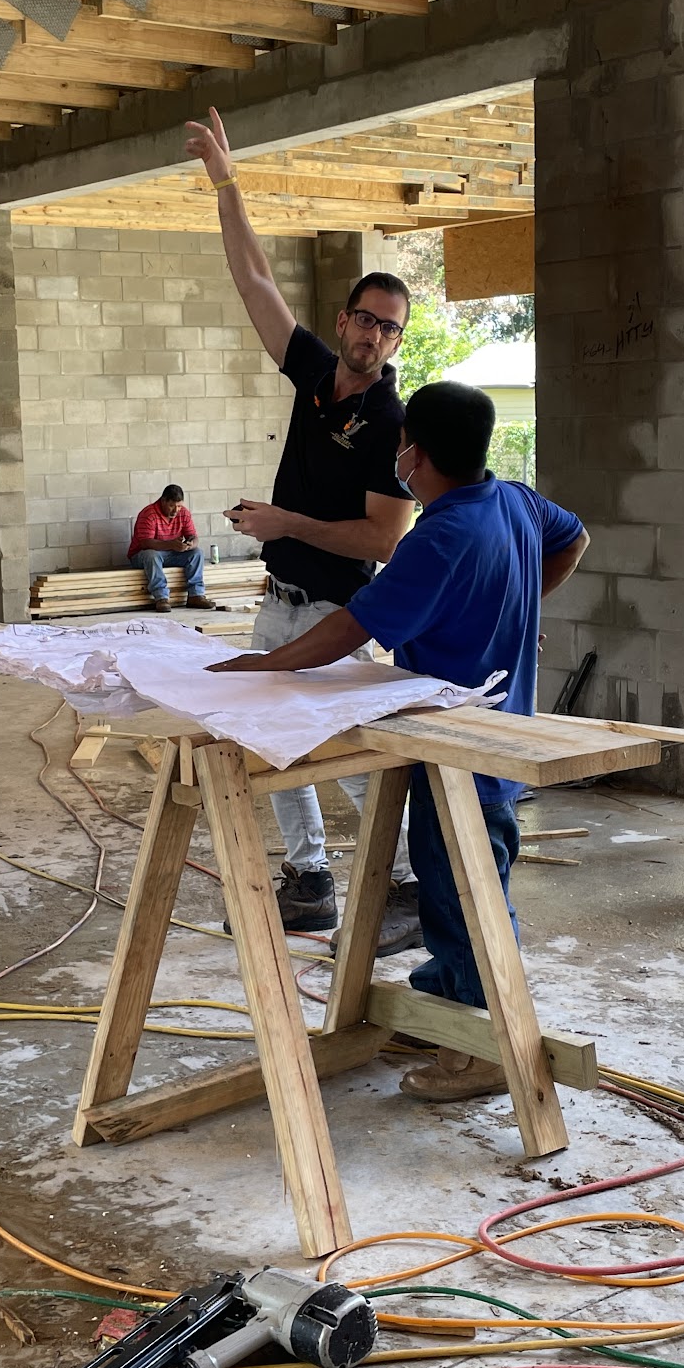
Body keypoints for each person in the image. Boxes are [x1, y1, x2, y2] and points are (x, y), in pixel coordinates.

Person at [210, 380, 590, 1105]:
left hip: (462, 746)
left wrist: (264, 664)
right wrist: (517, 600)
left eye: (402, 442)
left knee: (465, 887)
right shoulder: (512, 499)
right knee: (457, 871)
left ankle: (484, 1042)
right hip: (480, 729)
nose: (397, 453)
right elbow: (575, 538)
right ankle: (442, 1000)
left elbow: (350, 627)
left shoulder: (439, 538)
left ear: (418, 456)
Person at [184, 104, 418, 945]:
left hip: (335, 611)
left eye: (389, 326)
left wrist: (286, 518)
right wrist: (226, 185)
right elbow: (255, 283)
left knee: (350, 750)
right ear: (346, 318)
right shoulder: (316, 374)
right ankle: (312, 877)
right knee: (272, 739)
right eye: (364, 318)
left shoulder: (393, 424)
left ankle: (412, 881)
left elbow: (382, 542)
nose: (372, 335)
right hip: (281, 598)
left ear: (397, 339)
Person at [127, 485, 215, 613]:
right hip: (142, 556)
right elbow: (145, 543)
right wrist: (171, 545)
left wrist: (190, 544)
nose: (175, 510)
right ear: (163, 501)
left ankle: (196, 595)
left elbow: (194, 537)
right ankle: (161, 598)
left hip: (171, 553)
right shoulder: (148, 514)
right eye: (172, 506)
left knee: (197, 553)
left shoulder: (183, 513)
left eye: (179, 506)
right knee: (151, 555)